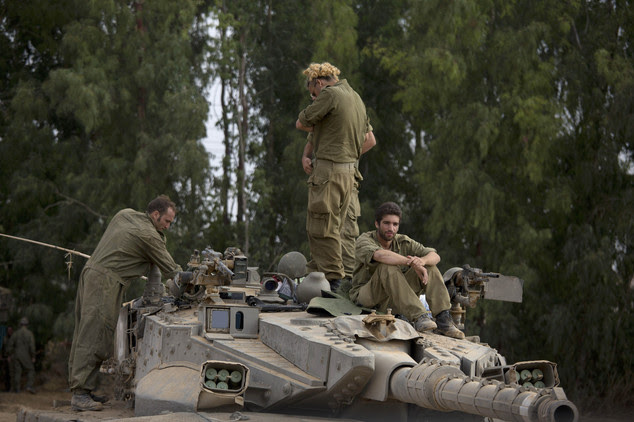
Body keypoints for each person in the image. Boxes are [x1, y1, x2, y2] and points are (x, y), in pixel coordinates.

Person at [68, 195, 182, 411]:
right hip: (106, 282)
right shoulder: (149, 235)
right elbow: (172, 270)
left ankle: (82, 389)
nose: (168, 227)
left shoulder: (126, 214)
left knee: (84, 332)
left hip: (91, 273)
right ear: (155, 215)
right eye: (167, 221)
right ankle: (80, 393)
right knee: (96, 335)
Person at [296, 62, 374, 289]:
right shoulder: (355, 97)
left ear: (319, 83)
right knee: (344, 229)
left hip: (329, 172)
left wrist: (335, 158)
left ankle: (332, 279)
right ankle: (347, 279)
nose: (314, 98)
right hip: (350, 173)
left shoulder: (329, 94)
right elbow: (369, 140)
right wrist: (346, 155)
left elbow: (302, 122)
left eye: (313, 93)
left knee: (322, 226)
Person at [350, 202, 465, 339]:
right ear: (377, 224)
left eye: (395, 224)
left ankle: (443, 320)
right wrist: (411, 262)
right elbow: (380, 255)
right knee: (386, 266)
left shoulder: (403, 241)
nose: (390, 228)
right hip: (367, 297)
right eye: (386, 223)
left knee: (430, 267)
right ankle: (419, 316)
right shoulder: (365, 240)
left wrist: (421, 261)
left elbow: (435, 255)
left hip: (394, 299)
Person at [301, 131, 376, 282]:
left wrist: (345, 159)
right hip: (324, 182)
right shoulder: (326, 110)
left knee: (345, 233)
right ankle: (318, 279)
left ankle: (346, 282)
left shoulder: (354, 111)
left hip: (346, 185)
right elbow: (312, 138)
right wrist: (305, 156)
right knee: (321, 230)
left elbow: (370, 140)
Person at [7, 317, 36, 393]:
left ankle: (17, 389)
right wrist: (33, 356)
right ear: (27, 324)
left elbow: (10, 345)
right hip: (25, 355)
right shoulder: (29, 333)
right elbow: (32, 346)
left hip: (16, 355)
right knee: (31, 369)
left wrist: (9, 354)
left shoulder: (16, 333)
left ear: (20, 324)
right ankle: (29, 386)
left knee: (17, 372)